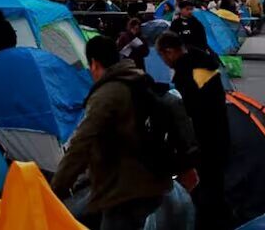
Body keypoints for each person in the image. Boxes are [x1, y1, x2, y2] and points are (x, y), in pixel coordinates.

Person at [52, 36, 175, 230]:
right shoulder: (137, 79)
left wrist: (55, 188)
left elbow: (81, 144)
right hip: (152, 180)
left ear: (94, 63)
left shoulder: (107, 93)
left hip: (125, 189)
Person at [155, 30, 232, 229]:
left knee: (205, 189)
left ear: (170, 51)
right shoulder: (201, 63)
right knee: (216, 186)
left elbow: (190, 109)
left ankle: (211, 223)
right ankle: (222, 220)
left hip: (205, 139)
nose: (164, 61)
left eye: (162, 56)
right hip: (219, 133)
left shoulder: (186, 71)